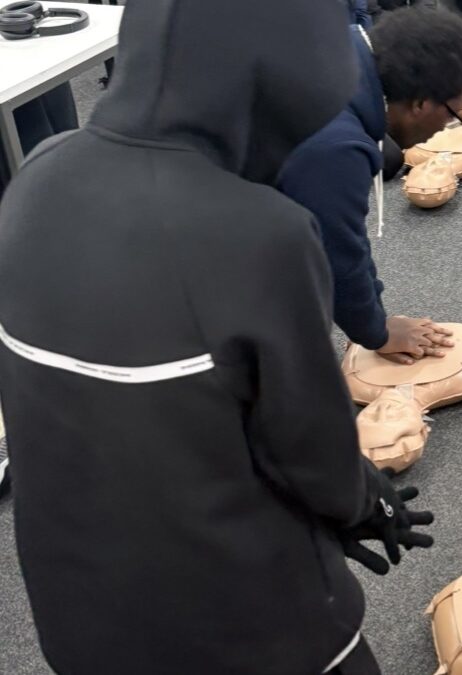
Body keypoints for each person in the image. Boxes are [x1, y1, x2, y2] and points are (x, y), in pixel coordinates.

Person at [0, 0, 432, 673]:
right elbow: (311, 452)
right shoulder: (261, 234)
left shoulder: (36, 180)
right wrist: (359, 496)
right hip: (242, 627)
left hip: (78, 616)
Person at [279, 9, 462, 367]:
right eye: (453, 115)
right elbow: (336, 250)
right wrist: (378, 331)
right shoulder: (334, 145)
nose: (449, 126)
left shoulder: (339, 40)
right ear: (421, 103)